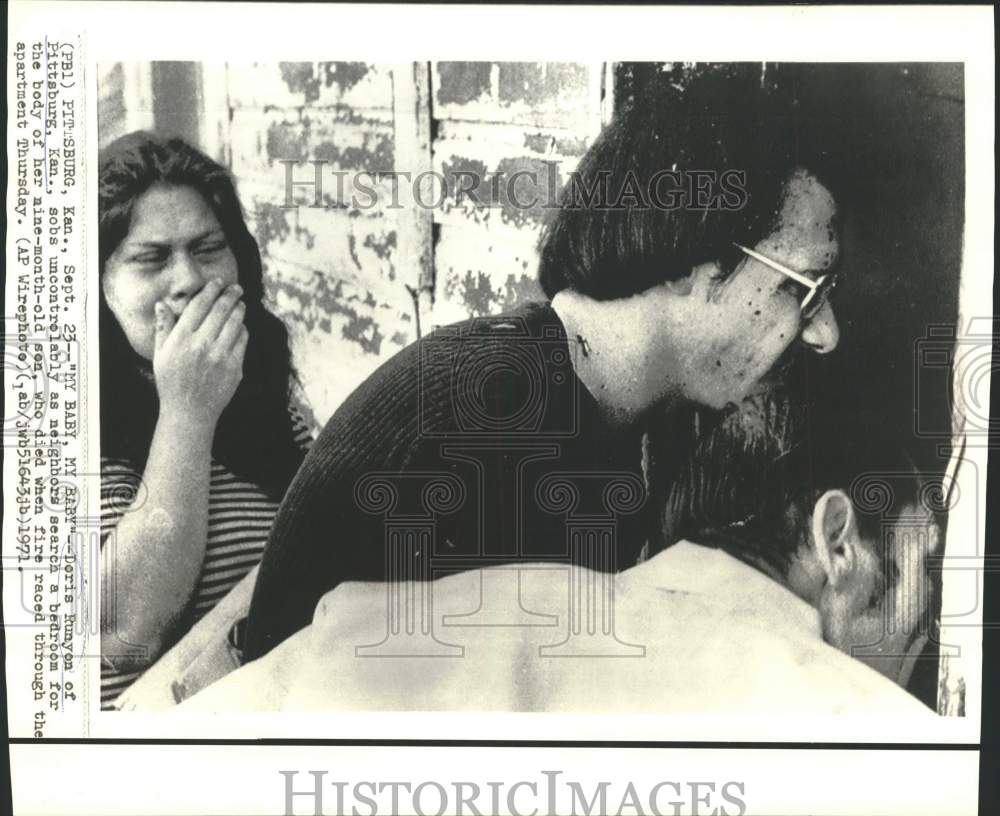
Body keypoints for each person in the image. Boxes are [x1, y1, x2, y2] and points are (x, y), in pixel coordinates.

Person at [243, 73, 843, 662]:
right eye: (805, 290)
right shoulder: (489, 416)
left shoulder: (620, 404)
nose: (825, 334)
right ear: (692, 262)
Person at [178, 389, 939, 717]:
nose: (935, 619)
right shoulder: (843, 722)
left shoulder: (417, 614)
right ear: (837, 540)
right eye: (928, 566)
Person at [98, 133, 312, 709]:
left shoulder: (268, 400)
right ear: (100, 284)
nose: (188, 279)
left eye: (208, 247)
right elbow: (124, 638)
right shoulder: (62, 423)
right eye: (151, 258)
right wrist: (188, 412)